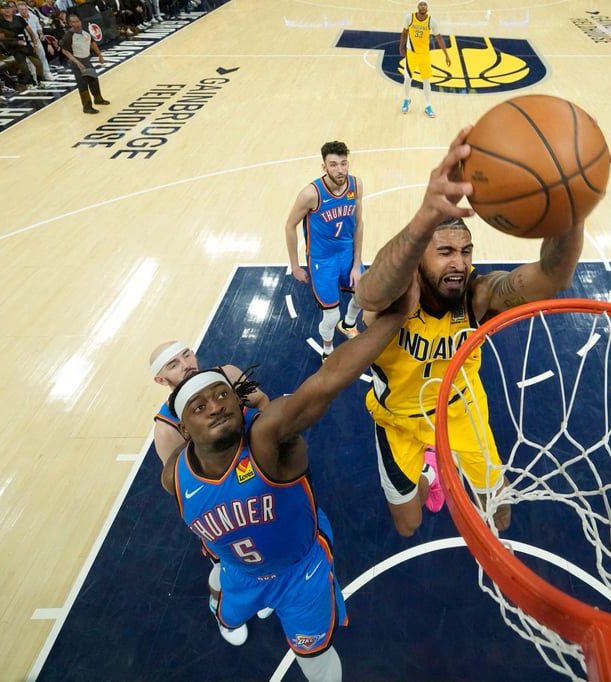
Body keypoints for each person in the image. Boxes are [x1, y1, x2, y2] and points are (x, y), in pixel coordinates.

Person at [354, 127, 610, 539]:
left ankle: (448, 466)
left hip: (461, 408)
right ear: (420, 257)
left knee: (501, 512)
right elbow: (369, 291)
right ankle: (429, 473)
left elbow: (552, 277)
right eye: (445, 252)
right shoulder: (398, 292)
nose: (459, 263)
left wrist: (572, 209)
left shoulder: (477, 294)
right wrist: (425, 217)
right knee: (408, 525)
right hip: (398, 418)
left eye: (465, 251)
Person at [161, 291, 413, 681]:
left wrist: (394, 318)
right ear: (183, 429)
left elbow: (326, 381)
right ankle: (224, 613)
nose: (215, 406)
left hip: (300, 575)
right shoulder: (173, 474)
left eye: (222, 395)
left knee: (315, 656)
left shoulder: (266, 437)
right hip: (239, 573)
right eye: (199, 406)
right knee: (222, 595)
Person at [149, 340, 272, 645]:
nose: (186, 364)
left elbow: (262, 401)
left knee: (271, 550)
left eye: (186, 354)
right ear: (160, 380)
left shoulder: (228, 374)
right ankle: (221, 609)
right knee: (229, 566)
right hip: (223, 506)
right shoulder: (167, 428)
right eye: (173, 364)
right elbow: (180, 487)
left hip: (262, 482)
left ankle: (266, 589)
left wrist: (271, 447)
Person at [283, 141, 365, 361]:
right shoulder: (311, 194)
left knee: (363, 294)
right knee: (330, 315)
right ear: (324, 167)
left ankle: (348, 324)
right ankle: (327, 350)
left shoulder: (355, 185)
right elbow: (289, 225)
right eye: (334, 164)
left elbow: (359, 224)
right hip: (323, 260)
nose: (340, 170)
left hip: (347, 253)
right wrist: (294, 265)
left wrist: (357, 263)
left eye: (344, 163)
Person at [399, 1, 450, 118]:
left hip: (424, 55)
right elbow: (404, 33)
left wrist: (446, 55)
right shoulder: (409, 18)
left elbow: (439, 38)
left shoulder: (432, 22)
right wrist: (401, 46)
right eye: (421, 4)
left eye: (425, 4)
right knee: (407, 79)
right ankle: (406, 100)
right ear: (417, 7)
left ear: (427, 7)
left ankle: (428, 105)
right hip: (411, 54)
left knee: (426, 81)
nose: (423, 6)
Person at [60, 12, 108, 114]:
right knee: (82, 84)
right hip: (77, 61)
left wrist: (99, 55)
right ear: (70, 24)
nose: (76, 24)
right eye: (73, 22)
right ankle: (87, 107)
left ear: (80, 22)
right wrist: (77, 62)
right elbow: (64, 50)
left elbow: (92, 42)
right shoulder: (68, 35)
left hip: (86, 59)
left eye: (77, 21)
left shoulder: (85, 31)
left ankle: (98, 99)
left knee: (93, 80)